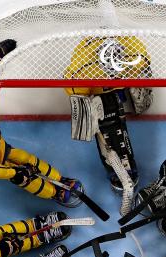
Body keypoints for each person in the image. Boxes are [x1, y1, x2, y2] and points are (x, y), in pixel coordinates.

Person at [0, 39, 83, 205]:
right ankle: (54, 193)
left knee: (25, 157)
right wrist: (14, 172)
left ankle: (60, 179)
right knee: (25, 178)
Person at [64, 36, 152, 192]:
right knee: (107, 123)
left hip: (116, 81)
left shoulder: (134, 52)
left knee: (138, 86)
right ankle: (114, 168)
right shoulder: (83, 68)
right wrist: (87, 108)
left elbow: (144, 62)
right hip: (97, 89)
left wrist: (134, 79)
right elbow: (73, 90)